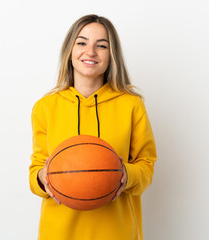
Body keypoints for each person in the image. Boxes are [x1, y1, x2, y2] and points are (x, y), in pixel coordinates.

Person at [29, 14, 157, 240]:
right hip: (59, 233)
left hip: (117, 232)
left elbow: (146, 166)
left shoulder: (131, 105)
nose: (90, 52)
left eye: (102, 45)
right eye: (82, 42)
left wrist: (126, 174)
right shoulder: (45, 107)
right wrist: (43, 177)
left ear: (112, 55)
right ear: (70, 51)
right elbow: (36, 170)